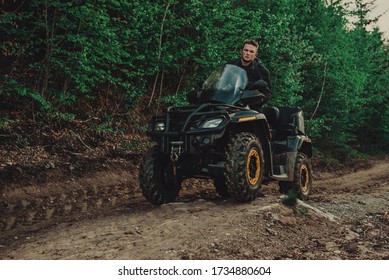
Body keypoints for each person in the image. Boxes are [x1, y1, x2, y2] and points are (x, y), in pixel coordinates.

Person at [228, 39, 272, 107]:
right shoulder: (230, 66)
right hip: (229, 104)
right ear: (241, 51)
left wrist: (253, 102)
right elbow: (221, 84)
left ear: (255, 55)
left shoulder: (262, 71)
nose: (248, 53)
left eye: (251, 51)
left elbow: (267, 93)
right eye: (246, 50)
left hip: (251, 107)